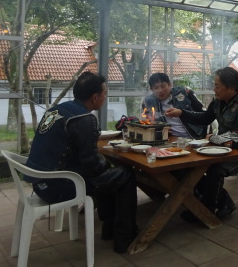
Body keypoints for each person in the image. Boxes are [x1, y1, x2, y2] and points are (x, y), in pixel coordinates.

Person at [25, 72, 137, 253]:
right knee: (125, 174)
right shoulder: (84, 119)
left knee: (109, 176)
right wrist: (107, 165)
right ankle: (124, 238)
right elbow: (91, 166)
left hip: (40, 183)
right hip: (58, 187)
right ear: (95, 97)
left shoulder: (56, 110)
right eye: (105, 93)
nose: (105, 97)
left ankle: (110, 230)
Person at [165, 67, 238, 221]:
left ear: (231, 88)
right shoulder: (218, 101)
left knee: (215, 170)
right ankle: (224, 203)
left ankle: (206, 211)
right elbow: (204, 118)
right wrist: (181, 113)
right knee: (193, 165)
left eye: (217, 86)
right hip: (221, 150)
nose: (214, 89)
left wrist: (212, 138)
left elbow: (237, 136)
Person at [142, 72, 207, 139]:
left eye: (163, 86)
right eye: (156, 88)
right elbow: (147, 123)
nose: (160, 90)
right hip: (169, 138)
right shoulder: (148, 102)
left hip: (194, 136)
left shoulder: (184, 93)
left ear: (170, 85)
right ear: (151, 90)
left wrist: (205, 135)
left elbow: (203, 114)